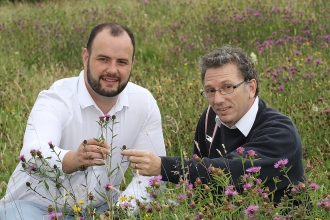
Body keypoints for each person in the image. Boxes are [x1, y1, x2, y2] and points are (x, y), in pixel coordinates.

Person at [0, 22, 166, 219]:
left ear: (132, 63)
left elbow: (152, 174)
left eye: (121, 62)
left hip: (101, 209)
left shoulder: (143, 102)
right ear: (86, 57)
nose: (112, 70)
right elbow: (31, 154)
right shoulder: (56, 98)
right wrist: (72, 159)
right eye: (103, 59)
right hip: (35, 208)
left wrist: (120, 212)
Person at [121, 45, 304, 204]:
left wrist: (164, 166)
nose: (217, 100)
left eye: (228, 87)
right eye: (210, 90)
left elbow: (235, 171)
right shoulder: (210, 117)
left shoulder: (280, 132)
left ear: (252, 88)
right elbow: (201, 183)